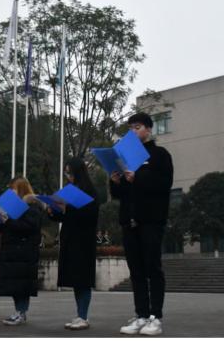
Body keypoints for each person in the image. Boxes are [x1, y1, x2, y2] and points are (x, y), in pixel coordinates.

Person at [110, 112, 173, 336]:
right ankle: (141, 315)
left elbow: (164, 184)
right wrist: (115, 181)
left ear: (148, 129)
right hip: (130, 220)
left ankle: (156, 317)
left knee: (152, 268)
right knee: (136, 271)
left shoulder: (159, 155)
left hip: (151, 220)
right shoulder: (125, 157)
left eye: (137, 127)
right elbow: (120, 194)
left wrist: (138, 177)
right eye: (130, 128)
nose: (133, 131)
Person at [47, 157, 99, 330]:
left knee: (83, 279)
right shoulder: (69, 190)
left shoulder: (89, 191)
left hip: (83, 241)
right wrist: (53, 210)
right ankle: (79, 315)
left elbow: (90, 216)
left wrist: (67, 208)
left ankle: (83, 316)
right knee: (76, 279)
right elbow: (64, 216)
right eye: (66, 172)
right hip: (70, 238)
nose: (68, 175)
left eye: (70, 172)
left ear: (78, 172)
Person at [0, 176, 42, 326]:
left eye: (13, 189)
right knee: (14, 284)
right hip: (11, 251)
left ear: (21, 189)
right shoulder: (10, 206)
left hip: (24, 252)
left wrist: (8, 220)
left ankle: (21, 312)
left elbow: (27, 227)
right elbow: (7, 228)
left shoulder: (32, 207)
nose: (10, 192)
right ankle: (18, 311)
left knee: (22, 285)